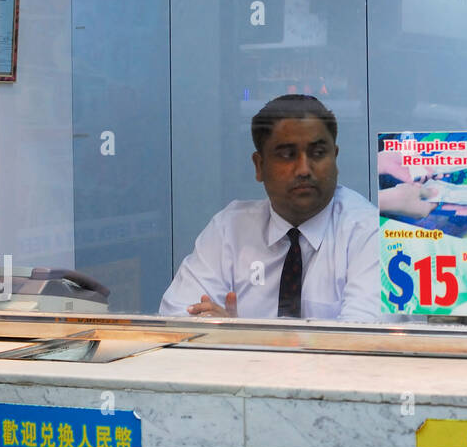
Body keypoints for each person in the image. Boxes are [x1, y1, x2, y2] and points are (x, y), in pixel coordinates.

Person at [159, 95, 379, 322]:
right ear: (259, 166)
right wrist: (218, 332)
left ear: (335, 158)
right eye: (287, 155)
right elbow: (176, 316)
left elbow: (365, 337)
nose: (304, 169)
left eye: (318, 153)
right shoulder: (229, 229)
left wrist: (237, 338)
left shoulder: (370, 231)